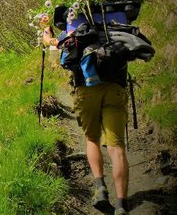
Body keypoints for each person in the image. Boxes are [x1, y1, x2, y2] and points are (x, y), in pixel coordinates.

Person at [43, 25, 129, 215]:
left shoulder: (71, 34)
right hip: (115, 89)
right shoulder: (112, 28)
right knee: (116, 147)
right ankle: (122, 205)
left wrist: (47, 37)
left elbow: (53, 58)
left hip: (85, 90)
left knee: (92, 139)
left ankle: (100, 189)